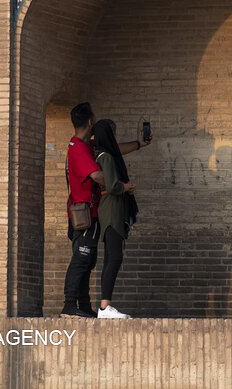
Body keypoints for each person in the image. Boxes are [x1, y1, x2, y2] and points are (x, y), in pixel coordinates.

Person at [61, 103, 151, 318]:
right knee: (81, 258)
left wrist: (139, 144)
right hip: (83, 213)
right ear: (90, 122)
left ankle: (82, 306)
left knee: (88, 260)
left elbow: (114, 148)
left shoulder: (86, 145)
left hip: (90, 212)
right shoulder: (79, 149)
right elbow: (98, 176)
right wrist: (119, 185)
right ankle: (68, 304)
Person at [93, 119, 142, 319]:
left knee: (112, 257)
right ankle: (105, 308)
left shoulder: (107, 155)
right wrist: (127, 186)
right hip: (111, 208)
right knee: (114, 257)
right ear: (110, 135)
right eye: (115, 134)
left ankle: (105, 307)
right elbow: (113, 185)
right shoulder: (106, 157)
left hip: (114, 208)